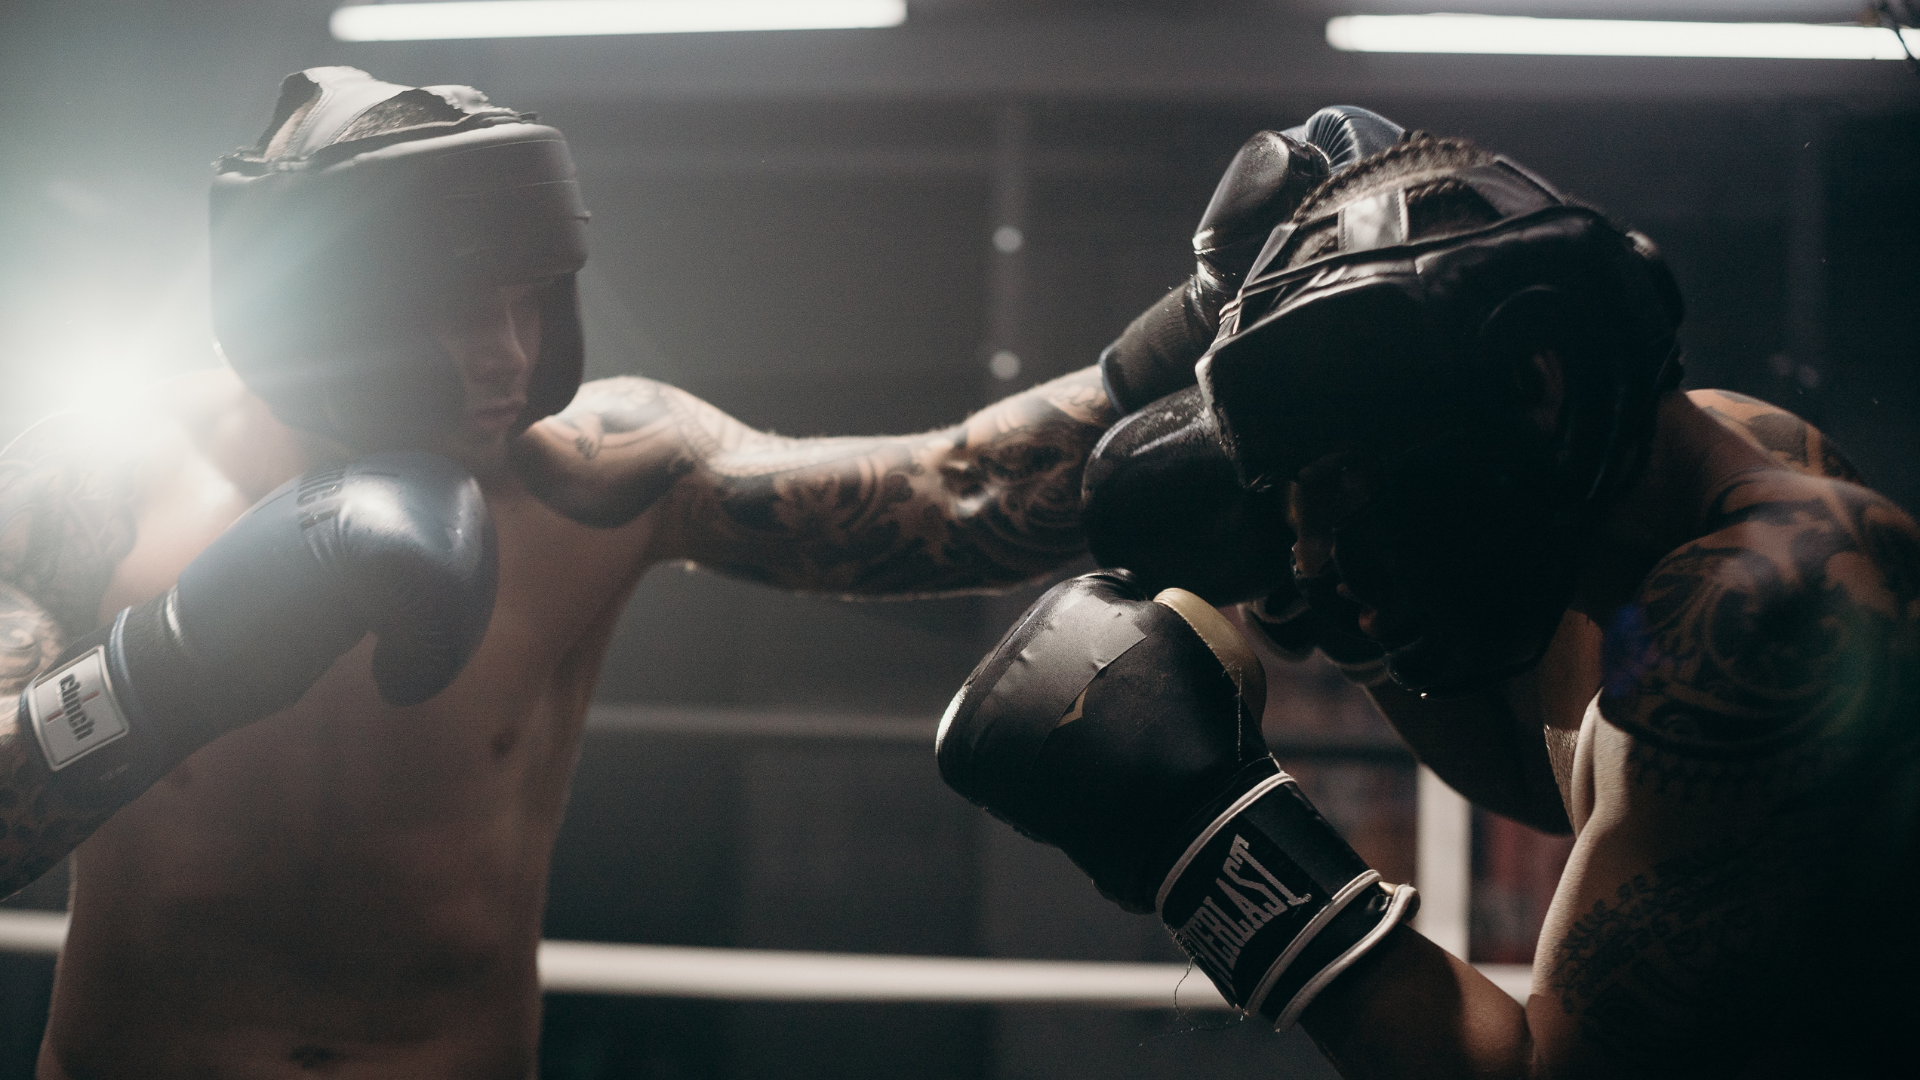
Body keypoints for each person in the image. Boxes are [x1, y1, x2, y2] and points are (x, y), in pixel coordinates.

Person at [0, 66, 1387, 1078]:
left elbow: (951, 493)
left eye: (529, 300)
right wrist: (170, 665)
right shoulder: (90, 480)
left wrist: (1196, 337)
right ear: (308, 302)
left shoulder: (592, 469)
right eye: (452, 306)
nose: (504, 356)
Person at [939, 132, 1919, 1077]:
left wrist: (1207, 838)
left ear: (1534, 385)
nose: (1312, 557)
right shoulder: (1656, 504)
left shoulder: (1764, 601)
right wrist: (1360, 630)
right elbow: (1564, 789)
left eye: (1342, 485)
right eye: (1295, 513)